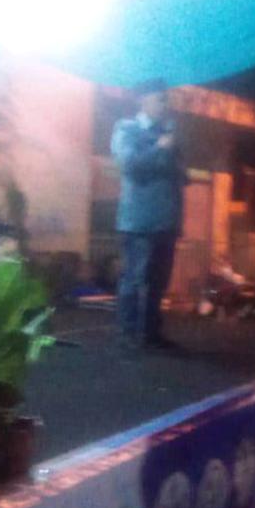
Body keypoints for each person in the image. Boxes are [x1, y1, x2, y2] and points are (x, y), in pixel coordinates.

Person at [111, 80, 185, 350]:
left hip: (167, 219)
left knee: (158, 281)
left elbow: (176, 173)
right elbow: (129, 164)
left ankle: (151, 333)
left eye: (166, 99)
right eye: (159, 99)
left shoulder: (168, 133)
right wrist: (160, 148)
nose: (165, 105)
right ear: (142, 100)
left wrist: (179, 166)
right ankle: (128, 334)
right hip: (139, 220)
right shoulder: (127, 129)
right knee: (134, 278)